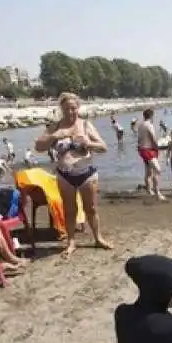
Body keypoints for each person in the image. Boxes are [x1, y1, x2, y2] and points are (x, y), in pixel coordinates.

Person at [34, 92, 113, 258]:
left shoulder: (85, 125)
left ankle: (98, 238)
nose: (71, 112)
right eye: (67, 109)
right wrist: (54, 136)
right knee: (69, 210)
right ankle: (71, 242)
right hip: (65, 175)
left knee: (90, 209)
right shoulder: (55, 127)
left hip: (86, 174)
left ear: (78, 108)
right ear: (62, 109)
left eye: (74, 108)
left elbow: (103, 147)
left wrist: (88, 143)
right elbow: (39, 147)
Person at [137, 108, 165, 200]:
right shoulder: (149, 125)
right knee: (158, 170)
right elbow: (153, 138)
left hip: (142, 150)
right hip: (148, 150)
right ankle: (158, 193)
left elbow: (139, 139)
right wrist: (158, 149)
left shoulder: (140, 125)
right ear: (152, 116)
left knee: (148, 172)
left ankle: (149, 190)